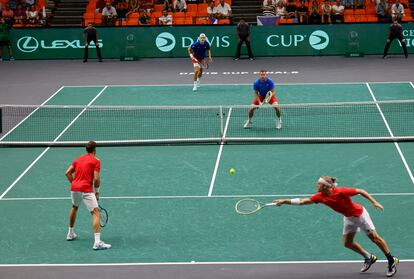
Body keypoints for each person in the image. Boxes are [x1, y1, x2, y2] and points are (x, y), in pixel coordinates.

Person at [273, 176, 399, 277]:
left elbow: (360, 191)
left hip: (360, 216)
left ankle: (391, 260)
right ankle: (369, 257)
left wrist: (374, 202)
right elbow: (303, 201)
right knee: (347, 243)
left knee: (375, 239)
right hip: (348, 218)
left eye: (318, 184)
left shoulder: (341, 192)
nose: (316, 185)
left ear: (325, 186)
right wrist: (284, 201)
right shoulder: (320, 197)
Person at [65, 141, 111, 250]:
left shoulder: (78, 159)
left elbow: (67, 173)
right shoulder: (96, 161)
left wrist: (75, 184)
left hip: (74, 188)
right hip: (86, 189)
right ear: (95, 150)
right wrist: (97, 192)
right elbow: (96, 179)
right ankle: (97, 242)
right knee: (96, 212)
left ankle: (70, 233)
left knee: (74, 207)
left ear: (86, 149)